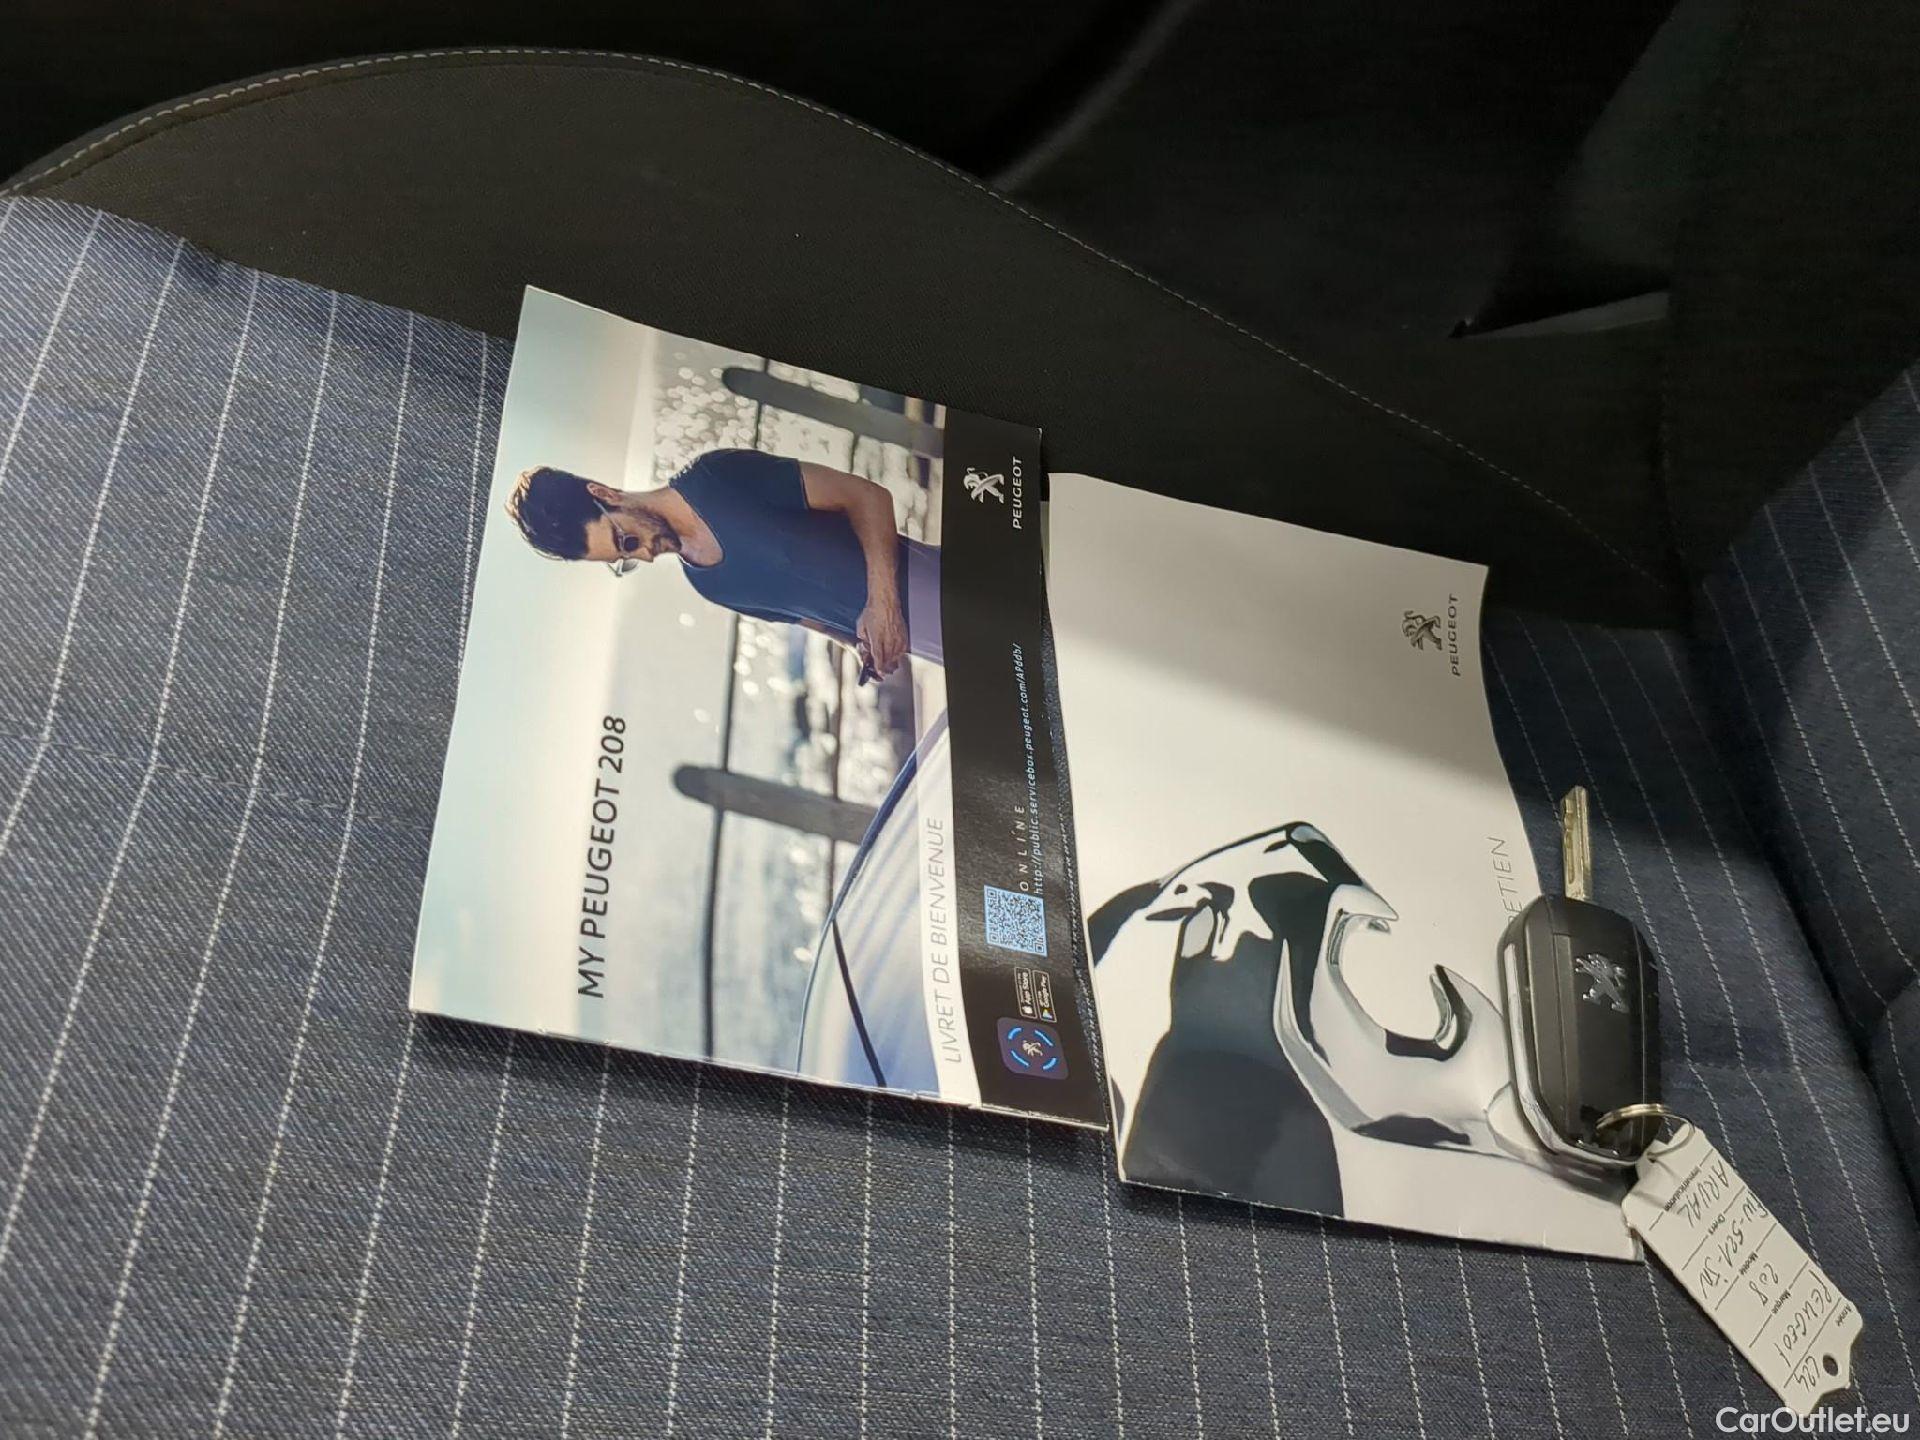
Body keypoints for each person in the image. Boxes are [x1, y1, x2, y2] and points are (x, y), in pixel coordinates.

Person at [504, 448, 941, 674]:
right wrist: (864, 647)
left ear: (605, 494)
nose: (645, 555)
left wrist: (883, 604)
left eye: (626, 539)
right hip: (930, 645)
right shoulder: (707, 585)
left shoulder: (716, 477)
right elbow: (812, 619)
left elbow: (866, 496)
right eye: (626, 558)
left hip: (946, 589)